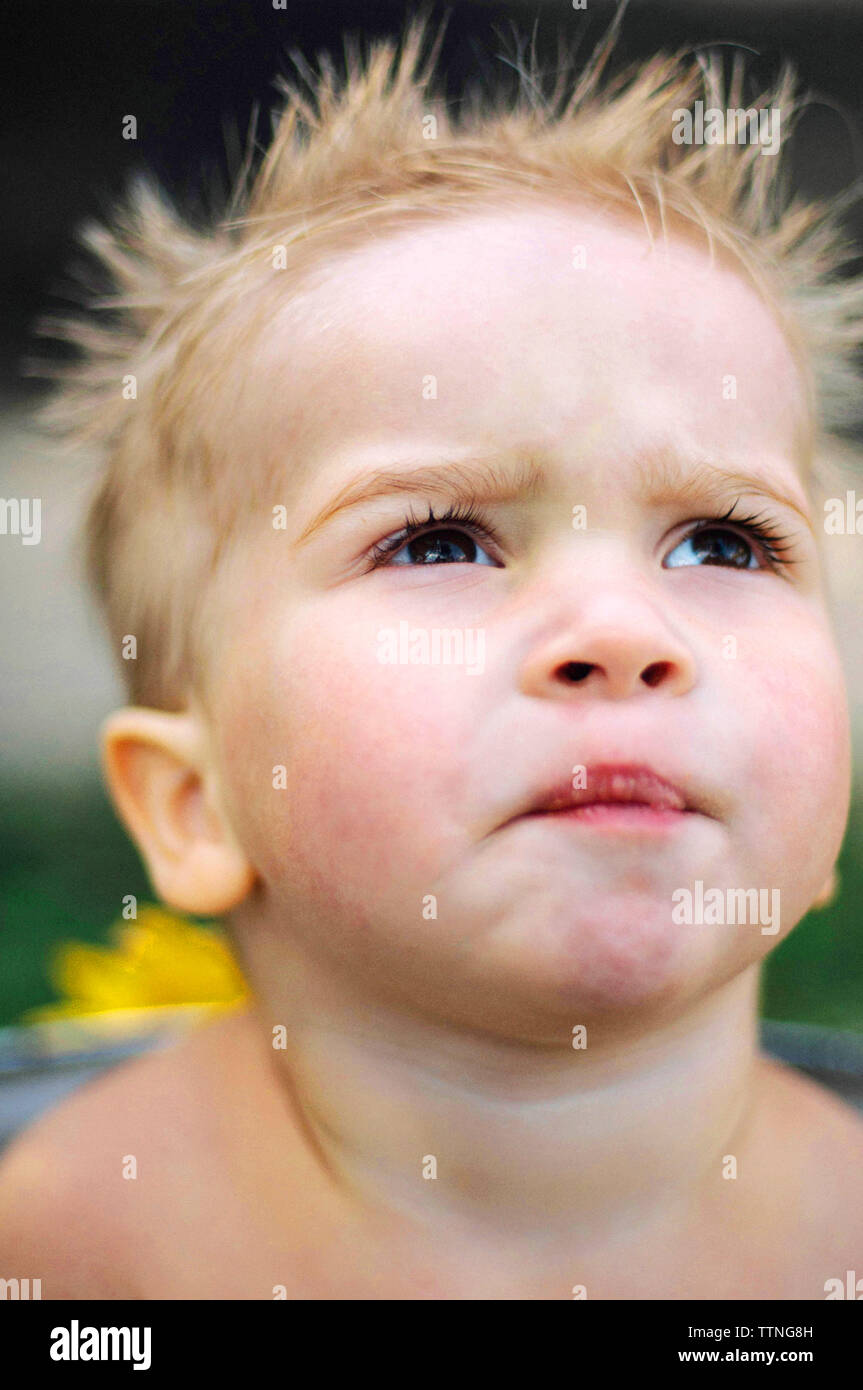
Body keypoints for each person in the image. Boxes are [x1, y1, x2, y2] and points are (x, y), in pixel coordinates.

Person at [2, 13, 862, 1299]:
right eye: (439, 541)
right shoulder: (79, 1240)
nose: (624, 633)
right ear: (195, 808)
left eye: (724, 546)